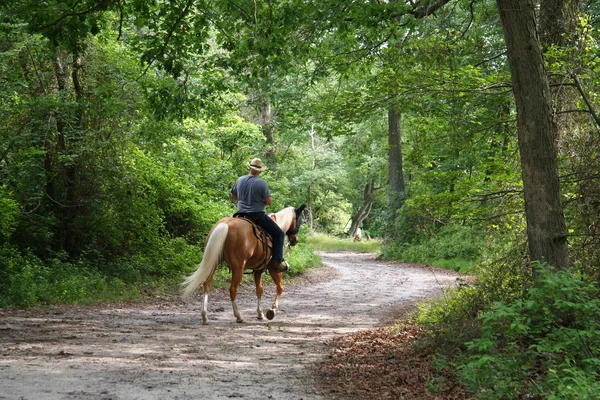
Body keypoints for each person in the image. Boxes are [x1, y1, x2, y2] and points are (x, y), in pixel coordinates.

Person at [231, 158, 287, 273]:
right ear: (260, 171)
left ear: (249, 168)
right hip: (257, 215)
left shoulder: (240, 180)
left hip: (240, 215)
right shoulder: (261, 183)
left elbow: (234, 197)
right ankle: (276, 262)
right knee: (279, 234)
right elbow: (268, 201)